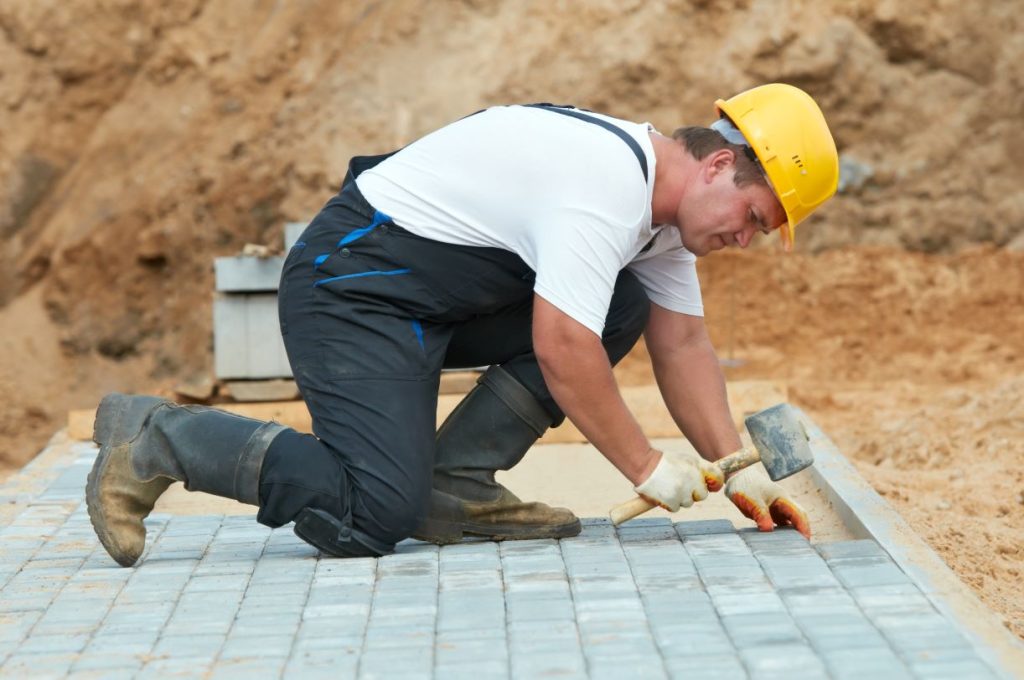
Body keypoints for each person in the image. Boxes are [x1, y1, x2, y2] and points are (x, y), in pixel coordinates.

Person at [86, 83, 838, 567]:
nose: (746, 240)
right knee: (373, 514)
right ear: (718, 166)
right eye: (753, 218)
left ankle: (455, 486)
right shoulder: (606, 184)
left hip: (434, 300)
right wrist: (646, 468)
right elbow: (563, 346)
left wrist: (735, 470)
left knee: (625, 304)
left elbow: (683, 344)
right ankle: (154, 438)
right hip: (352, 288)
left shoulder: (663, 224)